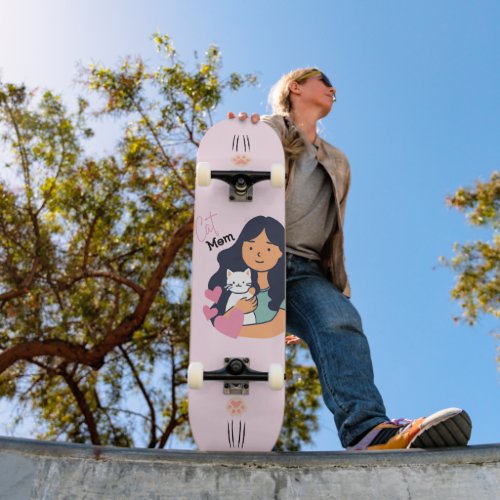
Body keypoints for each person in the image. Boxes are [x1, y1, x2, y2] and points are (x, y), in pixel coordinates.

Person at [227, 67, 472, 450]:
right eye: (323, 82)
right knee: (244, 355)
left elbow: (332, 229)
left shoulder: (338, 161)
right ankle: (236, 433)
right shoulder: (265, 130)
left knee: (340, 320)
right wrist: (240, 138)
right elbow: (233, 173)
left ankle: (367, 432)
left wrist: (321, 296)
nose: (332, 89)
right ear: (295, 87)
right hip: (253, 262)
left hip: (306, 270)